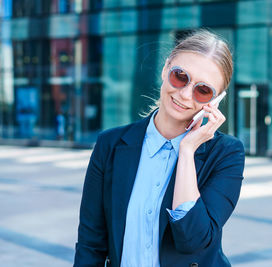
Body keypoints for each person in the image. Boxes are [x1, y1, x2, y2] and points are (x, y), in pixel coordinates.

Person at [74, 29, 245, 267]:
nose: (185, 94)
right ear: (166, 69)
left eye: (203, 90)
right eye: (180, 76)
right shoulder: (110, 145)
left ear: (215, 101)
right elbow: (90, 243)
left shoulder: (226, 153)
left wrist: (186, 152)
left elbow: (193, 240)